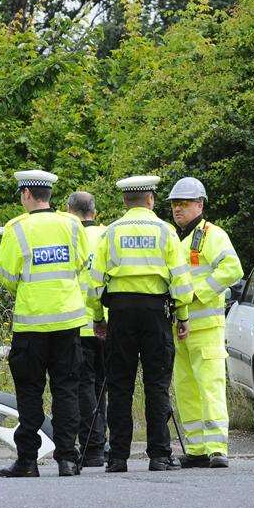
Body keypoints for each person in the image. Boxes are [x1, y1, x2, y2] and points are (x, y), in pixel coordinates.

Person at [89, 176, 192, 473]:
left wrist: (98, 317)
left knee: (120, 385)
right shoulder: (166, 232)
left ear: (125, 201)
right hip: (155, 314)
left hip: (120, 314)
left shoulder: (110, 233)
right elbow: (181, 280)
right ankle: (159, 455)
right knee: (156, 385)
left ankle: (118, 457)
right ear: (150, 200)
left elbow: (95, 282)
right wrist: (182, 315)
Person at [0, 170, 94, 478]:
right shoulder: (72, 224)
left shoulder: (16, 228)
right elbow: (81, 263)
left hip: (31, 325)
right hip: (67, 322)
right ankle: (67, 458)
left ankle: (27, 459)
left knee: (29, 391)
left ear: (26, 194)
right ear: (48, 195)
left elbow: (7, 276)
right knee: (66, 389)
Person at [168, 176, 243, 468]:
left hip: (206, 328)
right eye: (175, 204)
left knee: (209, 387)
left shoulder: (212, 235)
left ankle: (217, 448)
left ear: (199, 204)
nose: (178, 209)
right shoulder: (177, 237)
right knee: (186, 389)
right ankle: (197, 449)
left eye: (184, 204)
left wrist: (198, 293)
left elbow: (232, 268)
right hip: (180, 327)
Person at [66, 190, 108, 467]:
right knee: (104, 387)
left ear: (70, 211)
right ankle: (102, 444)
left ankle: (91, 446)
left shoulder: (67, 235)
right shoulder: (107, 234)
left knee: (83, 387)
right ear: (94, 211)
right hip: (105, 321)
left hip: (78, 321)